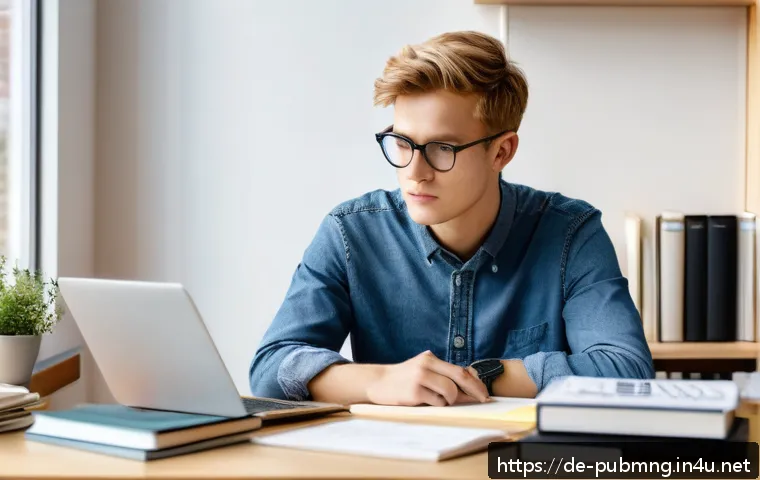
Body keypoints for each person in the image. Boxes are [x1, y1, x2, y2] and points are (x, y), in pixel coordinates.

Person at [249, 30, 654, 406]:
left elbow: (627, 372)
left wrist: (479, 375)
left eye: (442, 148)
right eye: (402, 142)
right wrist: (379, 381)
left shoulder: (570, 233)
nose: (414, 171)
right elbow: (271, 369)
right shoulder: (350, 233)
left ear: (501, 152)